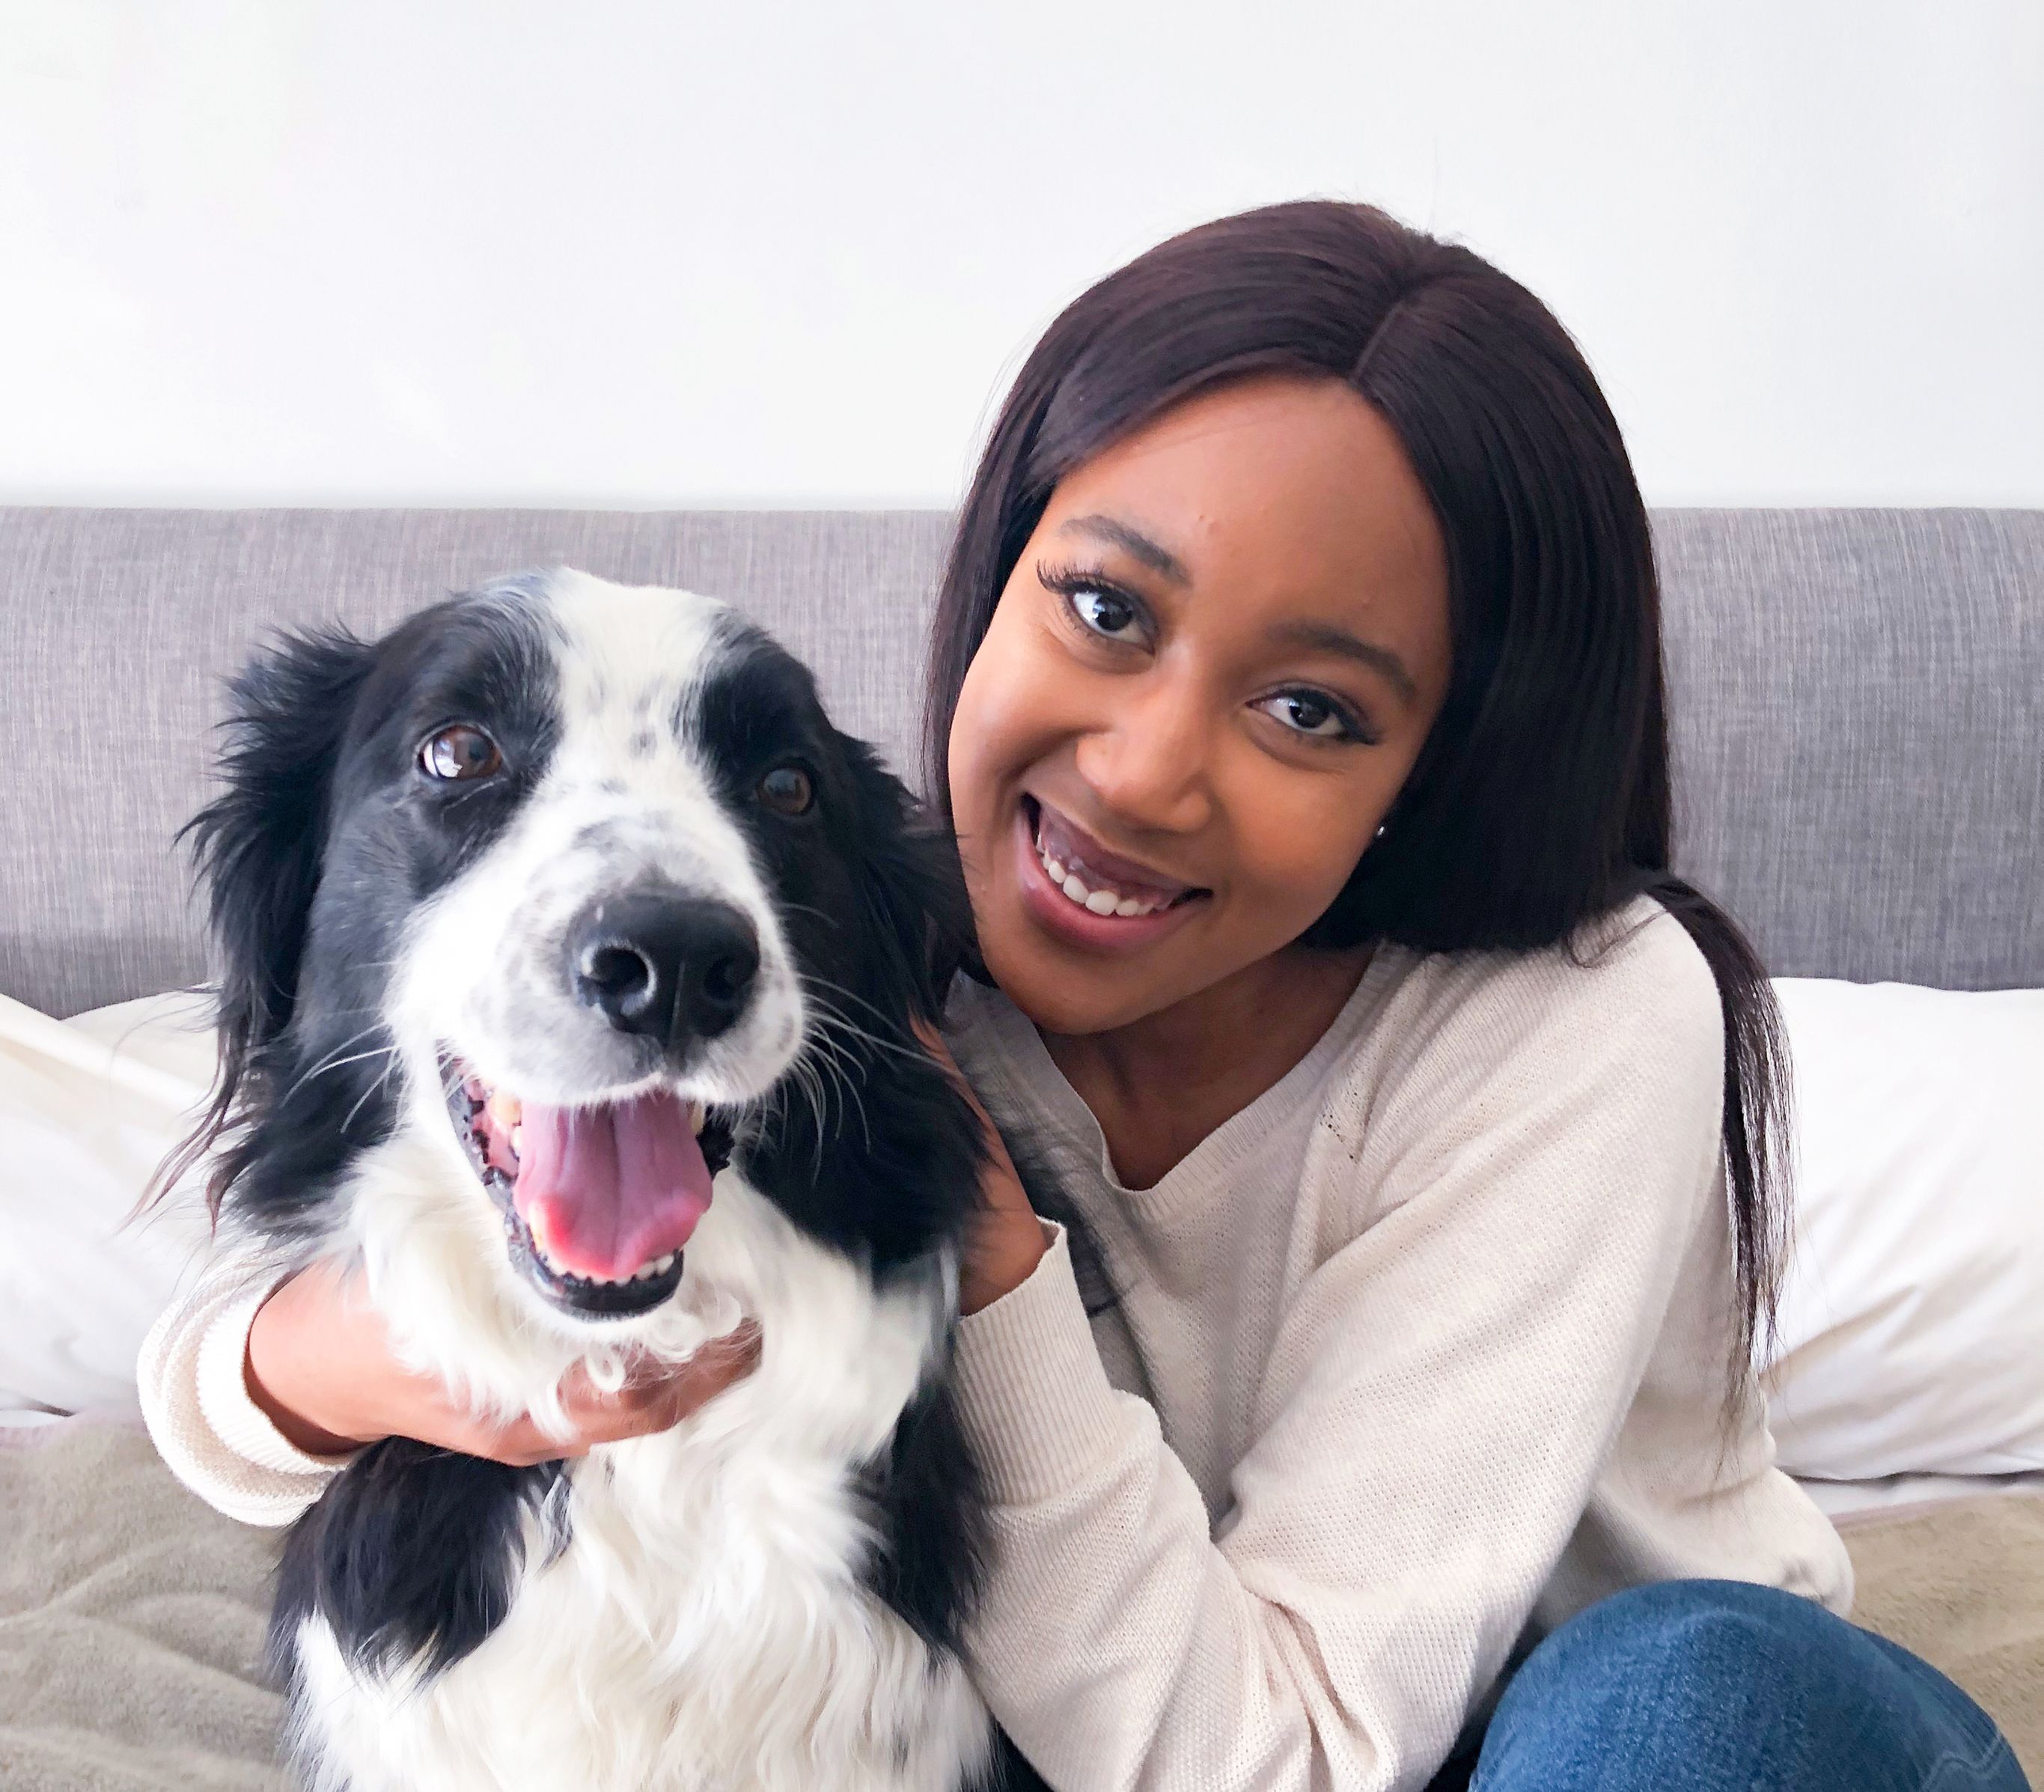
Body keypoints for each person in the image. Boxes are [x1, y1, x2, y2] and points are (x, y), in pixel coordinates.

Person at [139, 200, 2031, 1791]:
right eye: (1108, 611)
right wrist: (368, 1365)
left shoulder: (1580, 1019)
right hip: (1134, 1728)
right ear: (1005, 568)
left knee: (1688, 1694)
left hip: (1579, 1743)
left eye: (1311, 708)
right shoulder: (870, 938)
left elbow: (1284, 1753)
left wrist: (990, 1238)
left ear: (1433, 774)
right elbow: (255, 1301)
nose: (1135, 774)